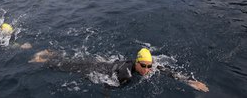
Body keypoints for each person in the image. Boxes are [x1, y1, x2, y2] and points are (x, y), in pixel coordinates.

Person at [29, 48, 209, 92]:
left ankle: (49, 54)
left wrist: (190, 81)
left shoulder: (150, 66)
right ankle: (43, 58)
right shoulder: (126, 75)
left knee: (74, 60)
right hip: (99, 69)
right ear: (137, 63)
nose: (148, 70)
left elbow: (168, 71)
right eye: (144, 66)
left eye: (149, 66)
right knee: (68, 66)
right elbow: (108, 86)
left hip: (109, 63)